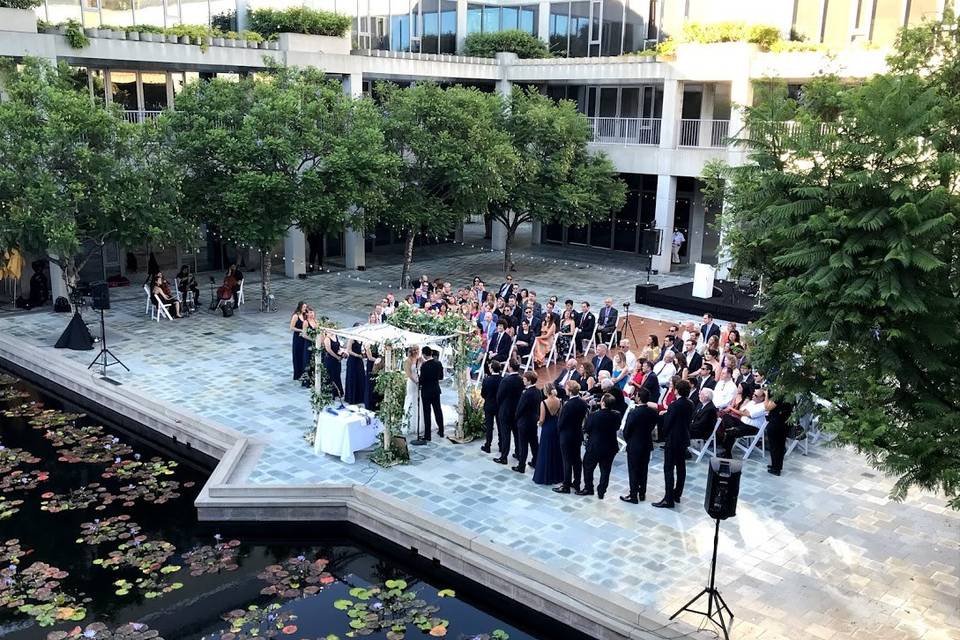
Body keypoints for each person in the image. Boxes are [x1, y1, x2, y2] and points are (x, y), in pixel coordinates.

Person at [653, 379, 693, 509]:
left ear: (676, 390)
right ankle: (677, 494)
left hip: (673, 439)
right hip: (684, 438)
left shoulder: (674, 405)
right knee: (681, 467)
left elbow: (668, 423)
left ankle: (668, 498)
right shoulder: (690, 403)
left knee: (668, 468)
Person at [576, 393, 622, 500]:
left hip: (595, 446)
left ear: (603, 403)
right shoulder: (616, 415)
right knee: (606, 470)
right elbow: (617, 427)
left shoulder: (594, 415)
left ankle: (588, 488)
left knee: (588, 467)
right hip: (610, 446)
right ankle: (602, 491)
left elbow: (587, 428)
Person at [620, 387, 657, 503]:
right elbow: (653, 426)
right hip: (646, 443)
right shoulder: (652, 412)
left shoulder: (634, 413)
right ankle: (642, 493)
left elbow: (626, 430)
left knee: (633, 469)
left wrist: (629, 440)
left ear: (639, 398)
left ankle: (633, 495)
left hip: (635, 444)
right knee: (643, 469)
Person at [552, 380, 588, 494]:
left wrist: (558, 431)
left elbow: (561, 421)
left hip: (566, 435)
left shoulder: (568, 405)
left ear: (570, 390)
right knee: (576, 459)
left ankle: (566, 485)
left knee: (567, 460)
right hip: (577, 434)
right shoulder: (583, 403)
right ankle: (576, 482)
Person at [718, 388, 768, 457]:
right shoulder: (752, 402)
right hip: (742, 423)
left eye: (756, 395)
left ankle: (727, 454)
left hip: (752, 428)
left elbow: (747, 414)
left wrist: (745, 412)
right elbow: (742, 410)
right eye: (753, 394)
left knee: (731, 433)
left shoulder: (763, 406)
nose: (753, 396)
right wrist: (745, 412)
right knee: (726, 416)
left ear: (762, 398)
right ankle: (730, 429)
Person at [533, 382, 564, 486]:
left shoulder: (544, 402)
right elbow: (559, 415)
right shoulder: (559, 401)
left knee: (545, 451)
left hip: (547, 427)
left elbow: (542, 419)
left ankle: (545, 476)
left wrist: (538, 424)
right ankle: (557, 475)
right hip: (555, 426)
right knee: (555, 450)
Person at [493, 360, 523, 465]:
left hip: (505, 410)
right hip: (516, 410)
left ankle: (504, 457)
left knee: (506, 434)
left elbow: (499, 396)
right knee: (516, 433)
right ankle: (519, 453)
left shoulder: (506, 380)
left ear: (510, 367)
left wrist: (501, 405)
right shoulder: (521, 379)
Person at [513, 372, 541, 473]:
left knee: (523, 444)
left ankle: (521, 466)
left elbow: (520, 408)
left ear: (529, 381)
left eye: (524, 379)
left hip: (524, 421)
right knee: (534, 443)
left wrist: (516, 417)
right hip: (533, 420)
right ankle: (536, 462)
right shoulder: (538, 391)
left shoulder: (526, 394)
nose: (523, 381)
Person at [419, 347, 445, 440]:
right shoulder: (438, 363)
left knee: (427, 413)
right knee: (438, 410)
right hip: (435, 390)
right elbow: (441, 377)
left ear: (425, 355)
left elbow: (421, 380)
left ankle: (427, 435)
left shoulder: (424, 366)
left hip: (426, 391)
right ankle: (441, 430)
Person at [766, 394, 794, 476]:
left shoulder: (779, 396)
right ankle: (777, 465)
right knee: (780, 446)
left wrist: (767, 395)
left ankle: (776, 468)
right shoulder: (790, 396)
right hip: (785, 422)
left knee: (774, 446)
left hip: (776, 422)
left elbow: (767, 407)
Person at [480, 360, 502, 454]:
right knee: (500, 426)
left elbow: (483, 394)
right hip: (499, 405)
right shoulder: (502, 379)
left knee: (489, 426)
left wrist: (488, 398)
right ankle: (501, 445)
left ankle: (488, 445)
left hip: (489, 405)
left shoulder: (486, 380)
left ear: (492, 369)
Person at [403, 347, 424, 435]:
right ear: (411, 351)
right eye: (414, 350)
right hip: (412, 382)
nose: (416, 352)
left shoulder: (420, 359)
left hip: (419, 380)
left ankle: (420, 424)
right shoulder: (407, 360)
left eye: (417, 350)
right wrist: (416, 381)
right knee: (411, 399)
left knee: (419, 400)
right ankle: (410, 424)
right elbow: (408, 373)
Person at [344, 329, 367, 405]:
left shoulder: (360, 338)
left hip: (359, 361)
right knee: (353, 378)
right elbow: (349, 350)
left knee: (360, 377)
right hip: (353, 360)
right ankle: (352, 398)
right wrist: (357, 355)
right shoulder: (352, 339)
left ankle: (360, 397)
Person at [321, 327, 345, 398]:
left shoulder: (335, 336)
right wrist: (337, 357)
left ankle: (338, 391)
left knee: (337, 375)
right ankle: (331, 393)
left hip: (337, 360)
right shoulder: (327, 339)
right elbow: (329, 350)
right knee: (331, 375)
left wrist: (342, 352)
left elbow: (338, 346)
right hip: (330, 359)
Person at [300, 306, 319, 387]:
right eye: (310, 312)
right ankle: (307, 381)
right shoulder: (306, 322)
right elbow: (304, 334)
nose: (312, 314)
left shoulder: (316, 321)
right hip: (309, 343)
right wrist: (313, 339)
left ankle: (314, 380)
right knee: (308, 360)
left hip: (316, 344)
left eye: (312, 312)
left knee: (315, 360)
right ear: (307, 313)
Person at [290, 301, 307, 382]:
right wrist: (301, 330)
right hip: (297, 338)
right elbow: (292, 327)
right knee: (298, 354)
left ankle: (303, 373)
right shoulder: (296, 316)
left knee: (303, 354)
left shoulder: (304, 316)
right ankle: (297, 373)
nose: (305, 309)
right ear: (300, 307)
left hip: (303, 338)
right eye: (304, 307)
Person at [364, 343, 379, 411]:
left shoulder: (378, 344)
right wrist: (378, 360)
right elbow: (369, 357)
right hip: (371, 365)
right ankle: (370, 404)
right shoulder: (368, 344)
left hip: (378, 366)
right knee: (371, 384)